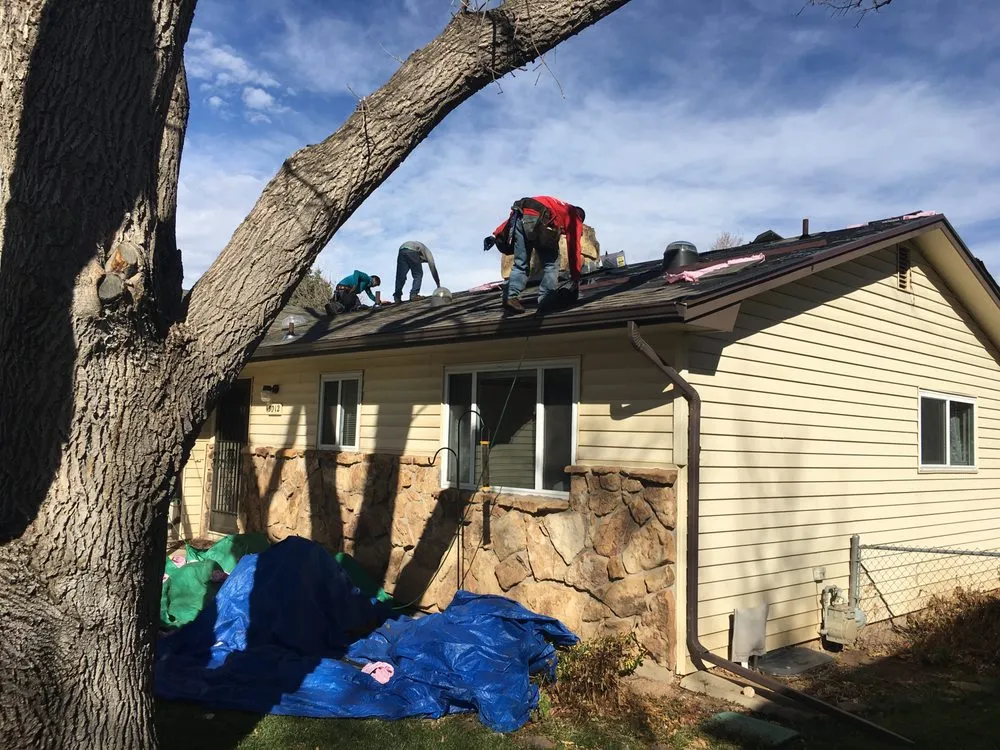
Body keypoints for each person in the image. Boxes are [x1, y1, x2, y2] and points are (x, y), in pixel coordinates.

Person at [486, 196, 585, 315]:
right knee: (551, 264)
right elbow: (574, 246)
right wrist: (575, 277)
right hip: (539, 219)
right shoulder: (574, 215)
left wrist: (495, 234)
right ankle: (546, 299)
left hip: (520, 215)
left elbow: (518, 214)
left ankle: (510, 296)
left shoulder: (555, 204)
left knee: (520, 262)